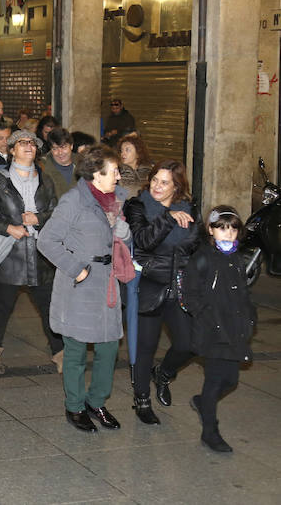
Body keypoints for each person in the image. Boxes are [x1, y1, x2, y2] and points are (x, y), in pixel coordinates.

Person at [38, 145, 132, 433]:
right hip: (80, 282)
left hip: (107, 281)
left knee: (108, 347)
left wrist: (124, 234)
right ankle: (75, 405)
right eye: (113, 170)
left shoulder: (119, 200)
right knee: (76, 349)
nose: (118, 175)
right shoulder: (74, 201)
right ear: (96, 173)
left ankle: (96, 401)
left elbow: (122, 239)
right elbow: (46, 240)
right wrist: (75, 268)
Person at [0, 129, 63, 374]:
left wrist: (39, 218)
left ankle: (60, 354)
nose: (29, 146)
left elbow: (55, 212)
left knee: (48, 306)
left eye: (33, 143)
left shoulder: (46, 180)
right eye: (22, 143)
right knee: (2, 306)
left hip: (40, 254)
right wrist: (8, 228)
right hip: (10, 255)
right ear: (12, 150)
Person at [123, 160, 199, 425]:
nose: (157, 185)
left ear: (176, 186)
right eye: (155, 179)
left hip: (179, 285)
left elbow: (193, 244)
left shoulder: (189, 208)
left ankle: (163, 374)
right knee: (146, 346)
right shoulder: (137, 205)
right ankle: (142, 400)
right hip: (150, 284)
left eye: (164, 182)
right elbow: (143, 240)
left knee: (189, 344)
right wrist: (167, 219)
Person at [183, 205, 255, 453]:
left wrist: (249, 319)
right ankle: (210, 432)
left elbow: (243, 293)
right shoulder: (202, 258)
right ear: (210, 230)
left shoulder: (236, 258)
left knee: (230, 380)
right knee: (214, 380)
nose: (227, 233)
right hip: (213, 329)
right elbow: (189, 294)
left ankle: (203, 402)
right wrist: (206, 315)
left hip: (234, 329)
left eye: (233, 228)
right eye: (221, 228)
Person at [40, 128, 78, 200]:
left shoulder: (84, 164)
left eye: (63, 147)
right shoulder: (42, 168)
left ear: (71, 146)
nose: (60, 153)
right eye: (55, 148)